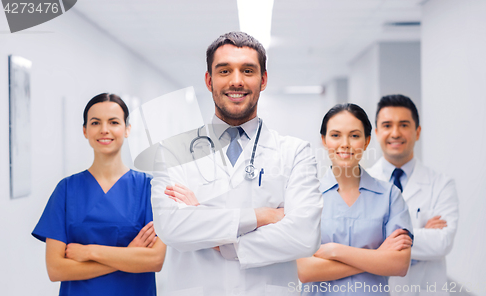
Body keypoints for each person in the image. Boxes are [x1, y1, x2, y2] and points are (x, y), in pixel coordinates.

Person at [151, 31, 323, 296]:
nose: (236, 81)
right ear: (209, 81)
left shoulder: (295, 153)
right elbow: (172, 228)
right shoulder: (172, 151)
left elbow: (304, 235)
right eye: (224, 71)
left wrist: (210, 224)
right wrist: (262, 216)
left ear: (263, 79)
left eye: (248, 70)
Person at [32, 93, 166, 296]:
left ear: (127, 129)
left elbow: (155, 260)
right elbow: (56, 269)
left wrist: (89, 252)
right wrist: (129, 256)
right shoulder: (66, 190)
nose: (104, 130)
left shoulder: (149, 188)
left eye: (113, 122)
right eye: (95, 123)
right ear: (85, 131)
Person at [297, 103, 413, 296]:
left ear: (367, 141)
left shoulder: (390, 196)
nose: (345, 144)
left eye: (354, 135)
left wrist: (334, 251)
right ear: (323, 140)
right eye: (335, 135)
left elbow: (399, 265)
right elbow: (305, 270)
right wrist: (377, 258)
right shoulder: (305, 196)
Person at [368, 94, 459, 296]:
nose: (395, 133)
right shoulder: (361, 183)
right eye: (387, 125)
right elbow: (354, 244)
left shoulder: (441, 184)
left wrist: (381, 240)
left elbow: (442, 243)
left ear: (417, 132)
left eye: (404, 125)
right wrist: (419, 235)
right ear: (376, 132)